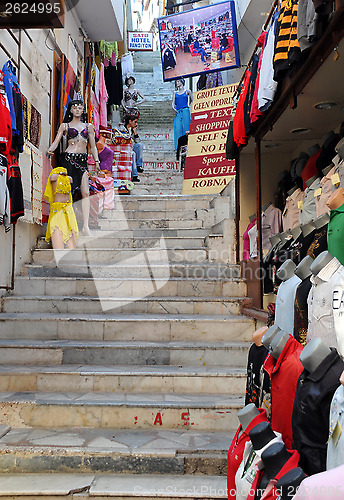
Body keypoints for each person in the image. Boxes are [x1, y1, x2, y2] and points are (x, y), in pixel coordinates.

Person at [47, 95, 100, 236]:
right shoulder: (65, 126)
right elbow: (57, 141)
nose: (78, 110)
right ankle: (68, 224)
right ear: (70, 110)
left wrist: (97, 160)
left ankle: (86, 226)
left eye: (80, 108)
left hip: (82, 161)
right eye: (75, 108)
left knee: (86, 192)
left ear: (83, 110)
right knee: (67, 192)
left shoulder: (89, 127)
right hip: (68, 159)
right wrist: (50, 150)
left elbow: (93, 146)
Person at [44, 167, 78, 250]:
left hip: (68, 210)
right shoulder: (54, 177)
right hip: (57, 210)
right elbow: (52, 177)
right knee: (57, 232)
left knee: (71, 242)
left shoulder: (69, 178)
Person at [172, 79, 193, 151]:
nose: (177, 83)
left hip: (185, 110)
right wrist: (173, 108)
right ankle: (177, 147)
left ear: (182, 82)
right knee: (177, 128)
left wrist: (190, 107)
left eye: (178, 81)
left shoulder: (187, 91)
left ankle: (188, 144)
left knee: (186, 127)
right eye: (176, 82)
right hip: (178, 111)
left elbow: (193, 100)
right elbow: (173, 103)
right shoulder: (175, 93)